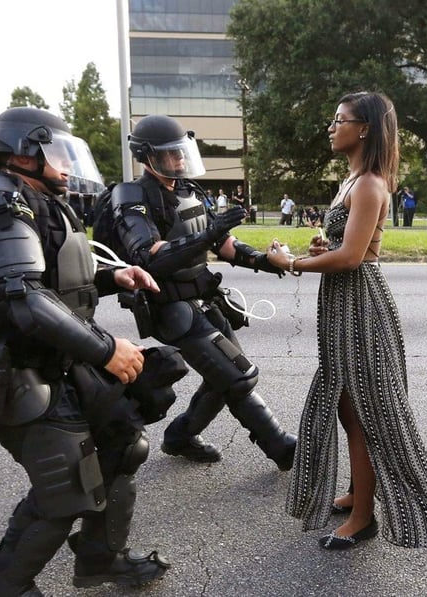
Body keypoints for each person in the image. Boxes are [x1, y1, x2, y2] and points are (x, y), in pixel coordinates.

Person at [0, 107, 170, 596]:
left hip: (53, 356)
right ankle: (3, 589)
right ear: (25, 152)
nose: (65, 165)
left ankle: (101, 558)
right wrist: (107, 351)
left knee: (124, 442)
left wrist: (111, 277)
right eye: (56, 153)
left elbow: (51, 282)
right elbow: (22, 298)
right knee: (66, 489)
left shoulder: (35, 198)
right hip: (11, 366)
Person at [266, 91, 427, 550]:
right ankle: (359, 491)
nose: (332, 127)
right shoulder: (351, 181)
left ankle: (363, 517)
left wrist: (291, 262)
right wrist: (322, 249)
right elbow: (343, 248)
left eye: (340, 120)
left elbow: (353, 258)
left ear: (365, 128)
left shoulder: (371, 183)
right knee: (345, 405)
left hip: (361, 305)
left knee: (367, 412)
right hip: (343, 304)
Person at [106, 114, 297, 469]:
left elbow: (222, 242)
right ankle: (282, 448)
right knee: (238, 376)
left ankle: (180, 436)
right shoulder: (132, 195)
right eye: (170, 154)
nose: (179, 160)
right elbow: (147, 256)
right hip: (171, 307)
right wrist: (207, 236)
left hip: (204, 300)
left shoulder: (187, 190)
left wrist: (264, 261)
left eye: (181, 152)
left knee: (222, 377)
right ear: (147, 156)